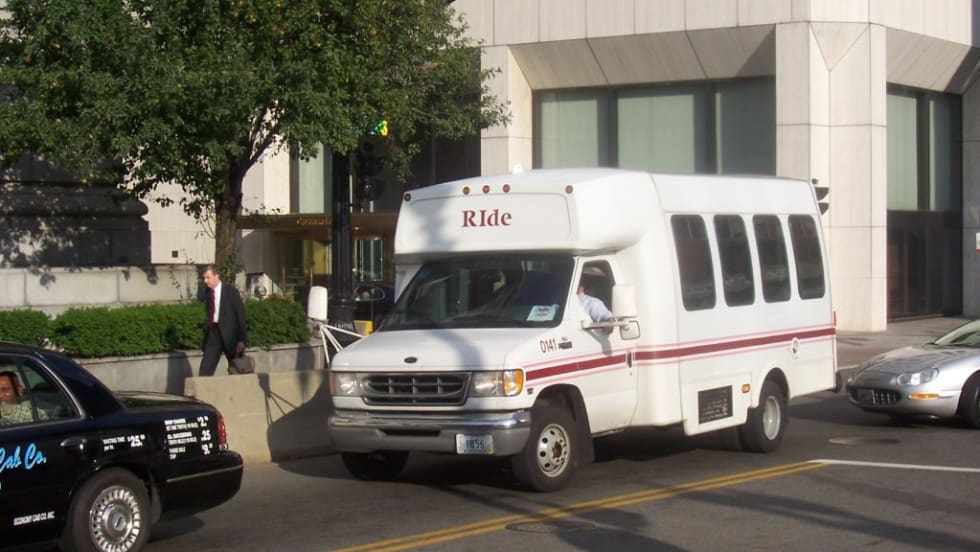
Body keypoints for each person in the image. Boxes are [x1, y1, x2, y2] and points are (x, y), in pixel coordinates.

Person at [199, 265, 247, 377]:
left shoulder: (231, 292)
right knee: (205, 369)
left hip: (230, 334)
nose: (205, 281)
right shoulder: (207, 292)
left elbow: (240, 315)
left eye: (208, 277)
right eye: (204, 278)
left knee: (237, 369)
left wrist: (241, 339)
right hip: (213, 333)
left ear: (216, 276)